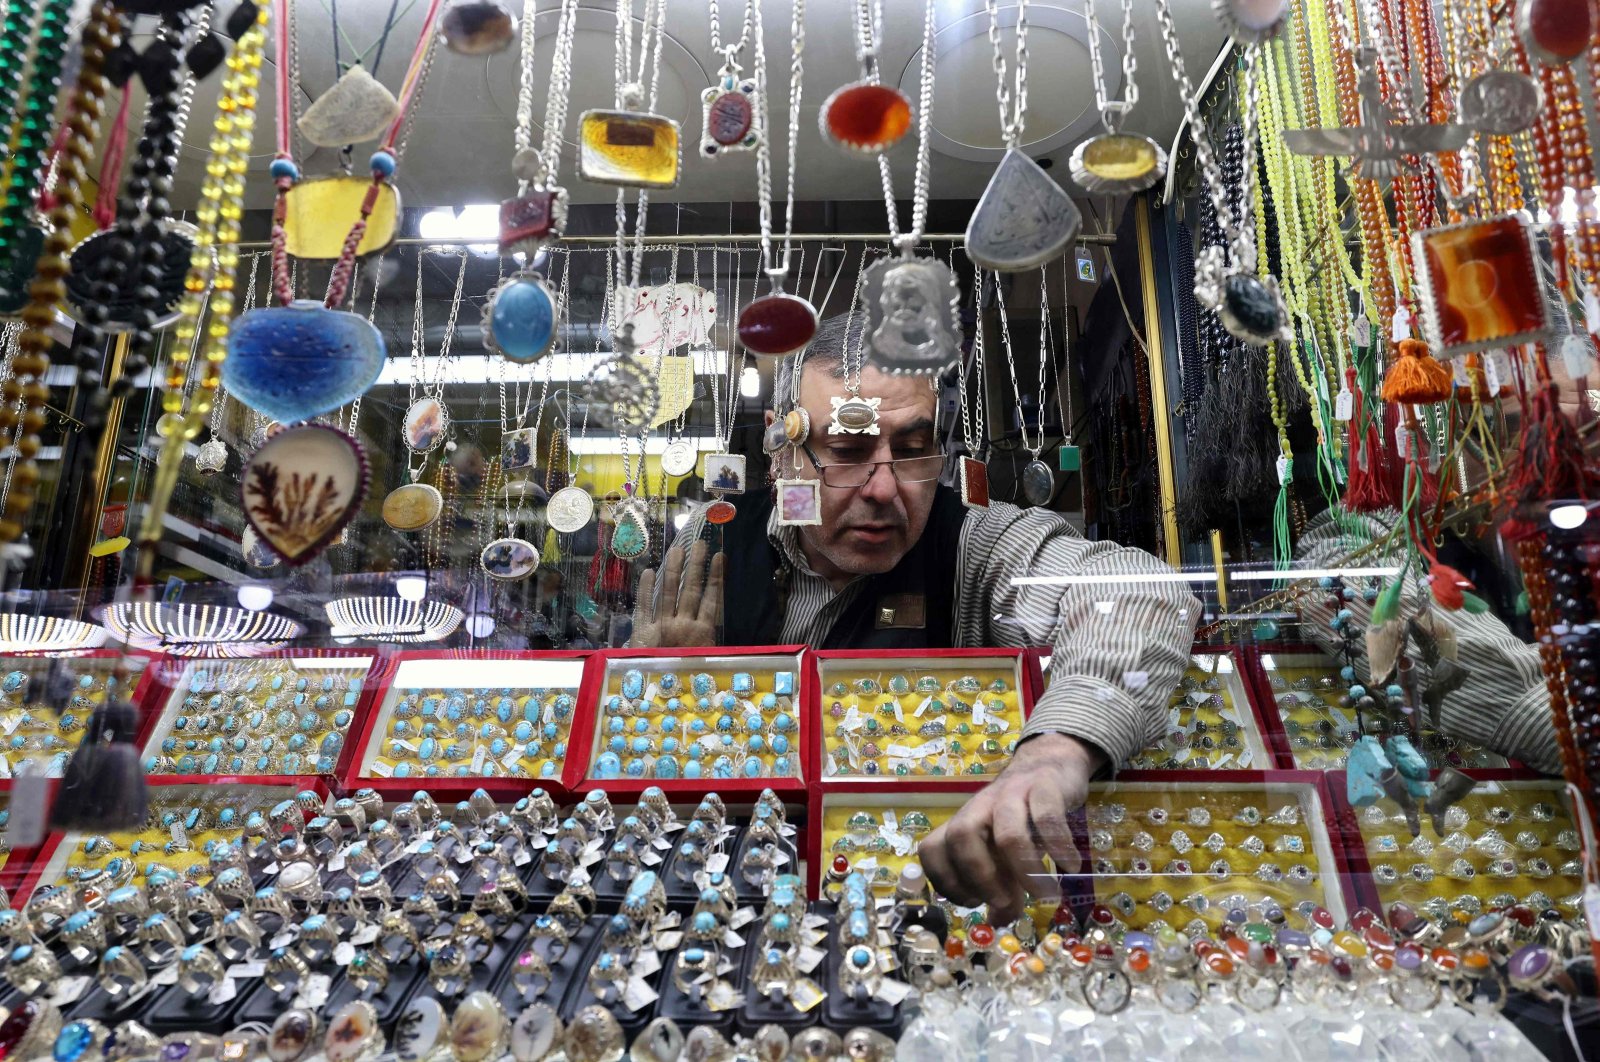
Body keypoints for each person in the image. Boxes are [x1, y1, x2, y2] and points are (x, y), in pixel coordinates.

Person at [632, 313, 1203, 925]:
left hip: (919, 897)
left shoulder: (975, 544)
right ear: (781, 450)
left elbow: (1138, 591)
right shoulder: (713, 541)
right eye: (846, 452)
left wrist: (1056, 750)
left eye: (910, 451)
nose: (884, 489)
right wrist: (668, 691)